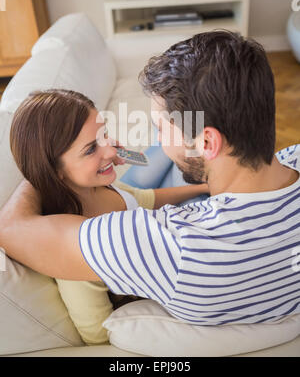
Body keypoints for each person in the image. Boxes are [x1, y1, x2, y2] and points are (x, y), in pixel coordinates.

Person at [1, 30, 299, 328]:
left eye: (161, 127)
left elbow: (9, 227)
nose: (159, 138)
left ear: (207, 143)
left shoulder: (161, 245)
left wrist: (47, 166)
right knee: (152, 160)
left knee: (154, 161)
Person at [8, 88, 208, 344]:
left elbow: (144, 198)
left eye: (105, 135)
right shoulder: (74, 249)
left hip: (130, 187)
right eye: (90, 148)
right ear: (54, 170)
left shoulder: (95, 184)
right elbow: (96, 335)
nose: (110, 150)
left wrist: (206, 186)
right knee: (184, 145)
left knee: (176, 136)